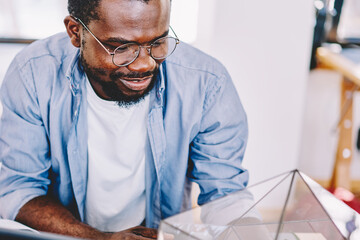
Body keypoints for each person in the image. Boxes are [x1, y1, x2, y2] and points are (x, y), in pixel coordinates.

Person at [0, 0, 249, 239]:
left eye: (158, 41)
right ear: (75, 32)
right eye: (120, 47)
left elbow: (225, 193)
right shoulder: (33, 73)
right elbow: (19, 190)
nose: (143, 64)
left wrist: (252, 232)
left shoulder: (207, 83)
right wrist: (99, 239)